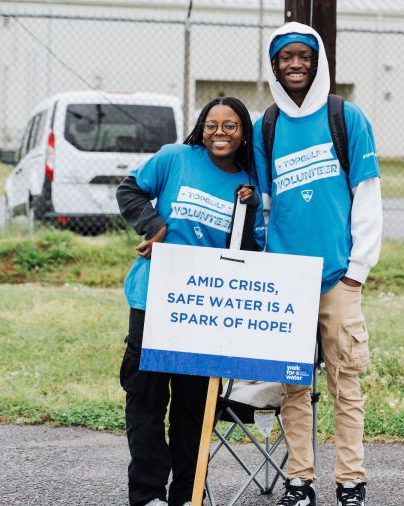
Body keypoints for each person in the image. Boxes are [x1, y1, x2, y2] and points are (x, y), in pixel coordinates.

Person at [254, 22, 382, 506]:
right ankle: (299, 481)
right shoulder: (267, 124)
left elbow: (367, 198)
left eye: (303, 56)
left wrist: (357, 270)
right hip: (287, 282)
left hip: (337, 279)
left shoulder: (345, 118)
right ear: (274, 66)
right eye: (285, 57)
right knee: (293, 387)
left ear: (317, 61)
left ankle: (351, 481)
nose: (295, 64)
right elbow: (265, 202)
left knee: (345, 385)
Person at [115, 96, 264, 506]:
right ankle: (147, 495)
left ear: (242, 133)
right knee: (146, 399)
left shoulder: (247, 183)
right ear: (202, 126)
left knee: (193, 411)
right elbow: (129, 191)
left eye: (230, 126)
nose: (221, 132)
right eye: (213, 124)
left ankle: (185, 496)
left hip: (205, 312)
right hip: (153, 300)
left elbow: (247, 252)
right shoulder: (175, 158)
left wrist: (249, 209)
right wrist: (154, 226)